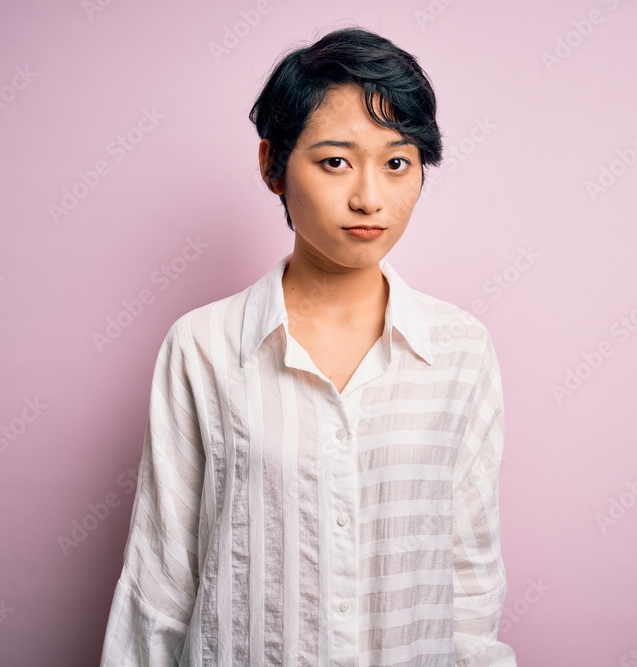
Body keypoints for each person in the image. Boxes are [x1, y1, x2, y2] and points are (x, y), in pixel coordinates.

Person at [100, 27, 516, 666]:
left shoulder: (460, 351)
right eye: (335, 161)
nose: (368, 197)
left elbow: (470, 578)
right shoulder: (203, 348)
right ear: (272, 166)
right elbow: (159, 583)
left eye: (397, 162)